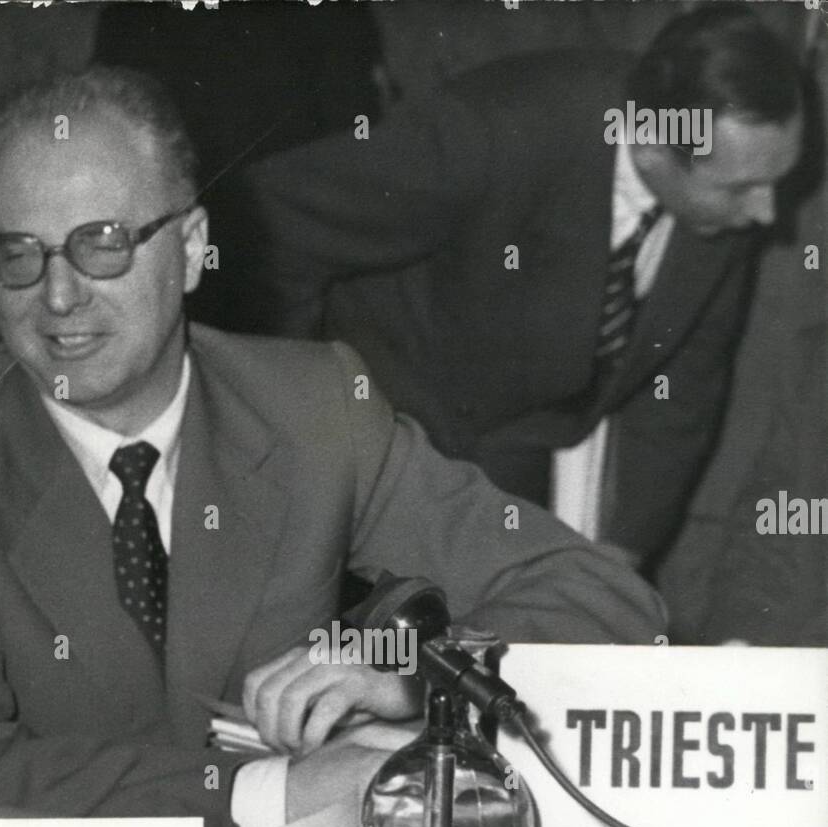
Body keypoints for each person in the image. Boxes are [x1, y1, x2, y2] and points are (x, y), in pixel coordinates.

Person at [0, 66, 665, 827]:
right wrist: (272, 793)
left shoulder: (316, 409)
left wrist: (413, 673)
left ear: (192, 249)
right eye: (18, 255)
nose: (58, 296)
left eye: (103, 245)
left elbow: (601, 596)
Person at [244, 3, 805, 564]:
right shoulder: (488, 134)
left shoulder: (731, 193)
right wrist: (303, 430)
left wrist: (624, 549)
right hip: (379, 418)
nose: (766, 214)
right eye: (741, 189)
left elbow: (683, 388)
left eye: (775, 182)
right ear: (653, 146)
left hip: (512, 450)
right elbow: (270, 227)